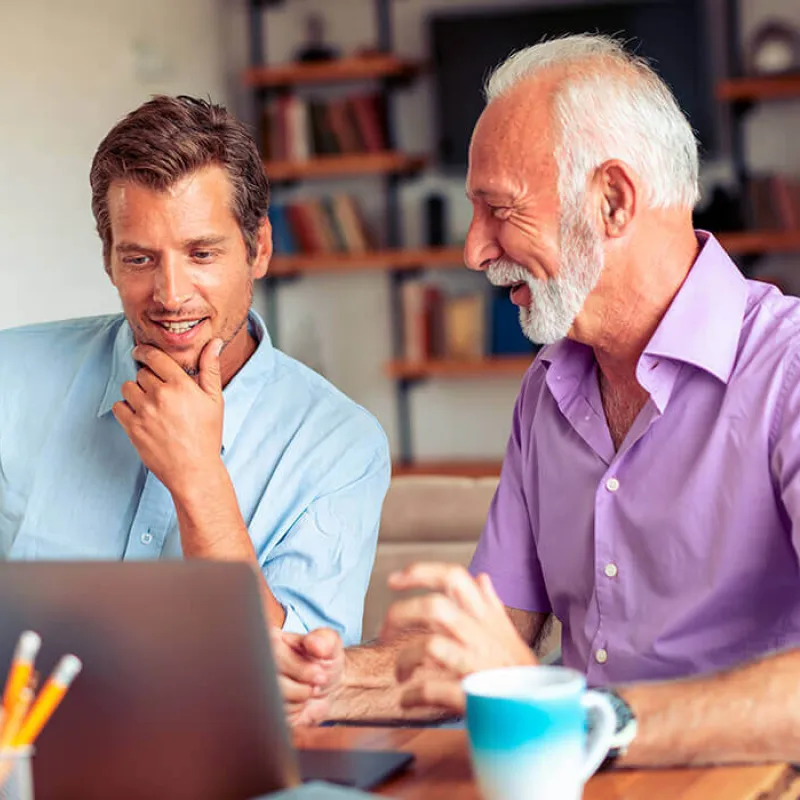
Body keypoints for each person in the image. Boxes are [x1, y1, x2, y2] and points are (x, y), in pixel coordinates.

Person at [276, 34, 800, 766]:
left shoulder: (789, 369)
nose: (473, 249)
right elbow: (499, 644)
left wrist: (591, 718)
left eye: (499, 210)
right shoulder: (547, 391)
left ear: (612, 200)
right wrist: (324, 683)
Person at [0, 95, 389, 646]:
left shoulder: (342, 447)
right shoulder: (8, 378)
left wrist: (198, 478)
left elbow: (300, 679)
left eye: (201, 254)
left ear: (258, 250)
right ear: (108, 256)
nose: (171, 295)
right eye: (139, 259)